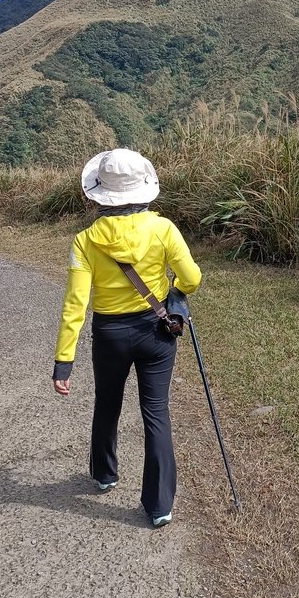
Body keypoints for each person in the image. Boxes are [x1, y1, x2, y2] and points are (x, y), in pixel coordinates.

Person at [52, 147, 202, 528]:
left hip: (110, 334)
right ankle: (159, 505)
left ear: (100, 193)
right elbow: (192, 279)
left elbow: (75, 305)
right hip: (156, 331)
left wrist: (63, 361)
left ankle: (104, 474)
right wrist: (175, 291)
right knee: (156, 412)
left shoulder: (85, 241)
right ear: (143, 188)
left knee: (107, 403)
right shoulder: (163, 228)